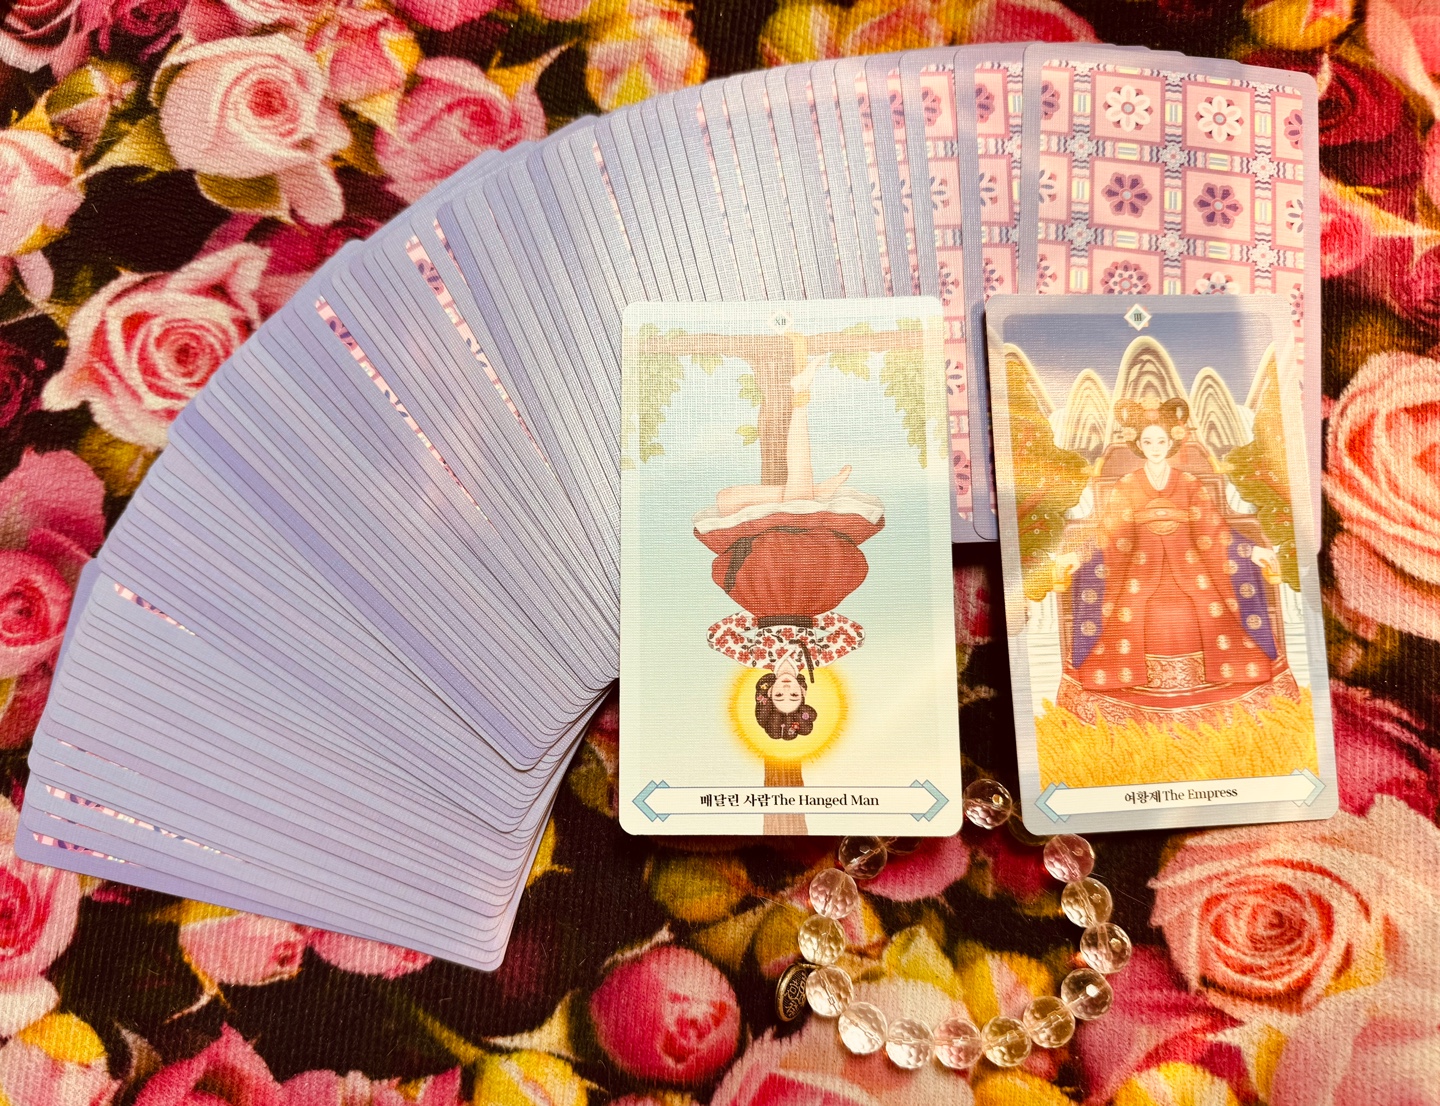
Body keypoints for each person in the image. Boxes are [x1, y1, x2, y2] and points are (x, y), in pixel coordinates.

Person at [1053, 396, 1286, 714]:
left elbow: (1213, 530)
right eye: (1148, 441)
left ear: (1171, 442)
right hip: (1139, 571)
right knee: (1136, 611)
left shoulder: (1189, 483)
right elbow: (1110, 535)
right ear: (1138, 444)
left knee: (1202, 607)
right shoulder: (1126, 484)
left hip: (1192, 568)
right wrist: (1078, 557)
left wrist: (1251, 550)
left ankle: (1225, 694)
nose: (1155, 447)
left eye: (1160, 440)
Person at [694, 353, 884, 740]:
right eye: (793, 695)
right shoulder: (819, 657)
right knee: (796, 491)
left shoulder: (754, 657)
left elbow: (716, 634)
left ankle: (816, 491)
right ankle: (801, 396)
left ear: (765, 694)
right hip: (809, 577)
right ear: (803, 692)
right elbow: (855, 633)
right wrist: (816, 631)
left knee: (727, 500)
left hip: (764, 580)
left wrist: (754, 630)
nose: (786, 689)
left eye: (779, 696)